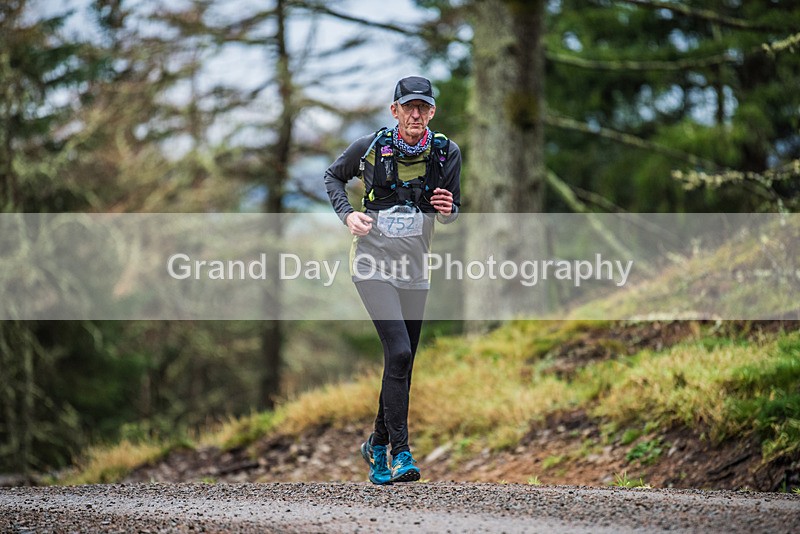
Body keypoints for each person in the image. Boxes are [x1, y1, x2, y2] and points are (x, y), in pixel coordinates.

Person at [323, 75, 462, 484]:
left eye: (424, 107)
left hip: (415, 268)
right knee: (399, 353)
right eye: (409, 106)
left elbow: (451, 209)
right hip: (371, 264)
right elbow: (333, 176)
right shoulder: (369, 148)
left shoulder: (446, 152)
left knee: (402, 361)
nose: (416, 113)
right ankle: (401, 453)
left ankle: (376, 445)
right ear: (395, 111)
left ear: (432, 111)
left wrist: (449, 208)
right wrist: (348, 214)